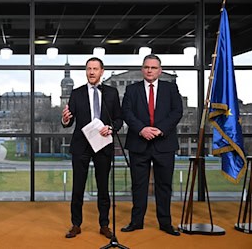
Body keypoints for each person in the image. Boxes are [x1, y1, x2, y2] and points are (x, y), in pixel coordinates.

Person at [121, 54, 183, 236]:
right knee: (138, 185)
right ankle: (136, 222)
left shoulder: (171, 89)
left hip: (164, 143)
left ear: (160, 70)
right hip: (139, 143)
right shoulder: (131, 90)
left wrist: (159, 129)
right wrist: (142, 129)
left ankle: (165, 223)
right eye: (146, 67)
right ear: (142, 69)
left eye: (153, 68)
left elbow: (177, 111)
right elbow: (127, 112)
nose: (149, 70)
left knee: (164, 186)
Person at [62, 57, 123, 239]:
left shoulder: (111, 93)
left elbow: (118, 119)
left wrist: (111, 128)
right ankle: (76, 224)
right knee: (78, 187)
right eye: (89, 69)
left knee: (103, 187)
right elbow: (69, 120)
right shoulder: (76, 93)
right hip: (81, 145)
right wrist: (65, 120)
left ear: (101, 71)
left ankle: (104, 225)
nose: (91, 72)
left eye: (95, 69)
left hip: (103, 144)